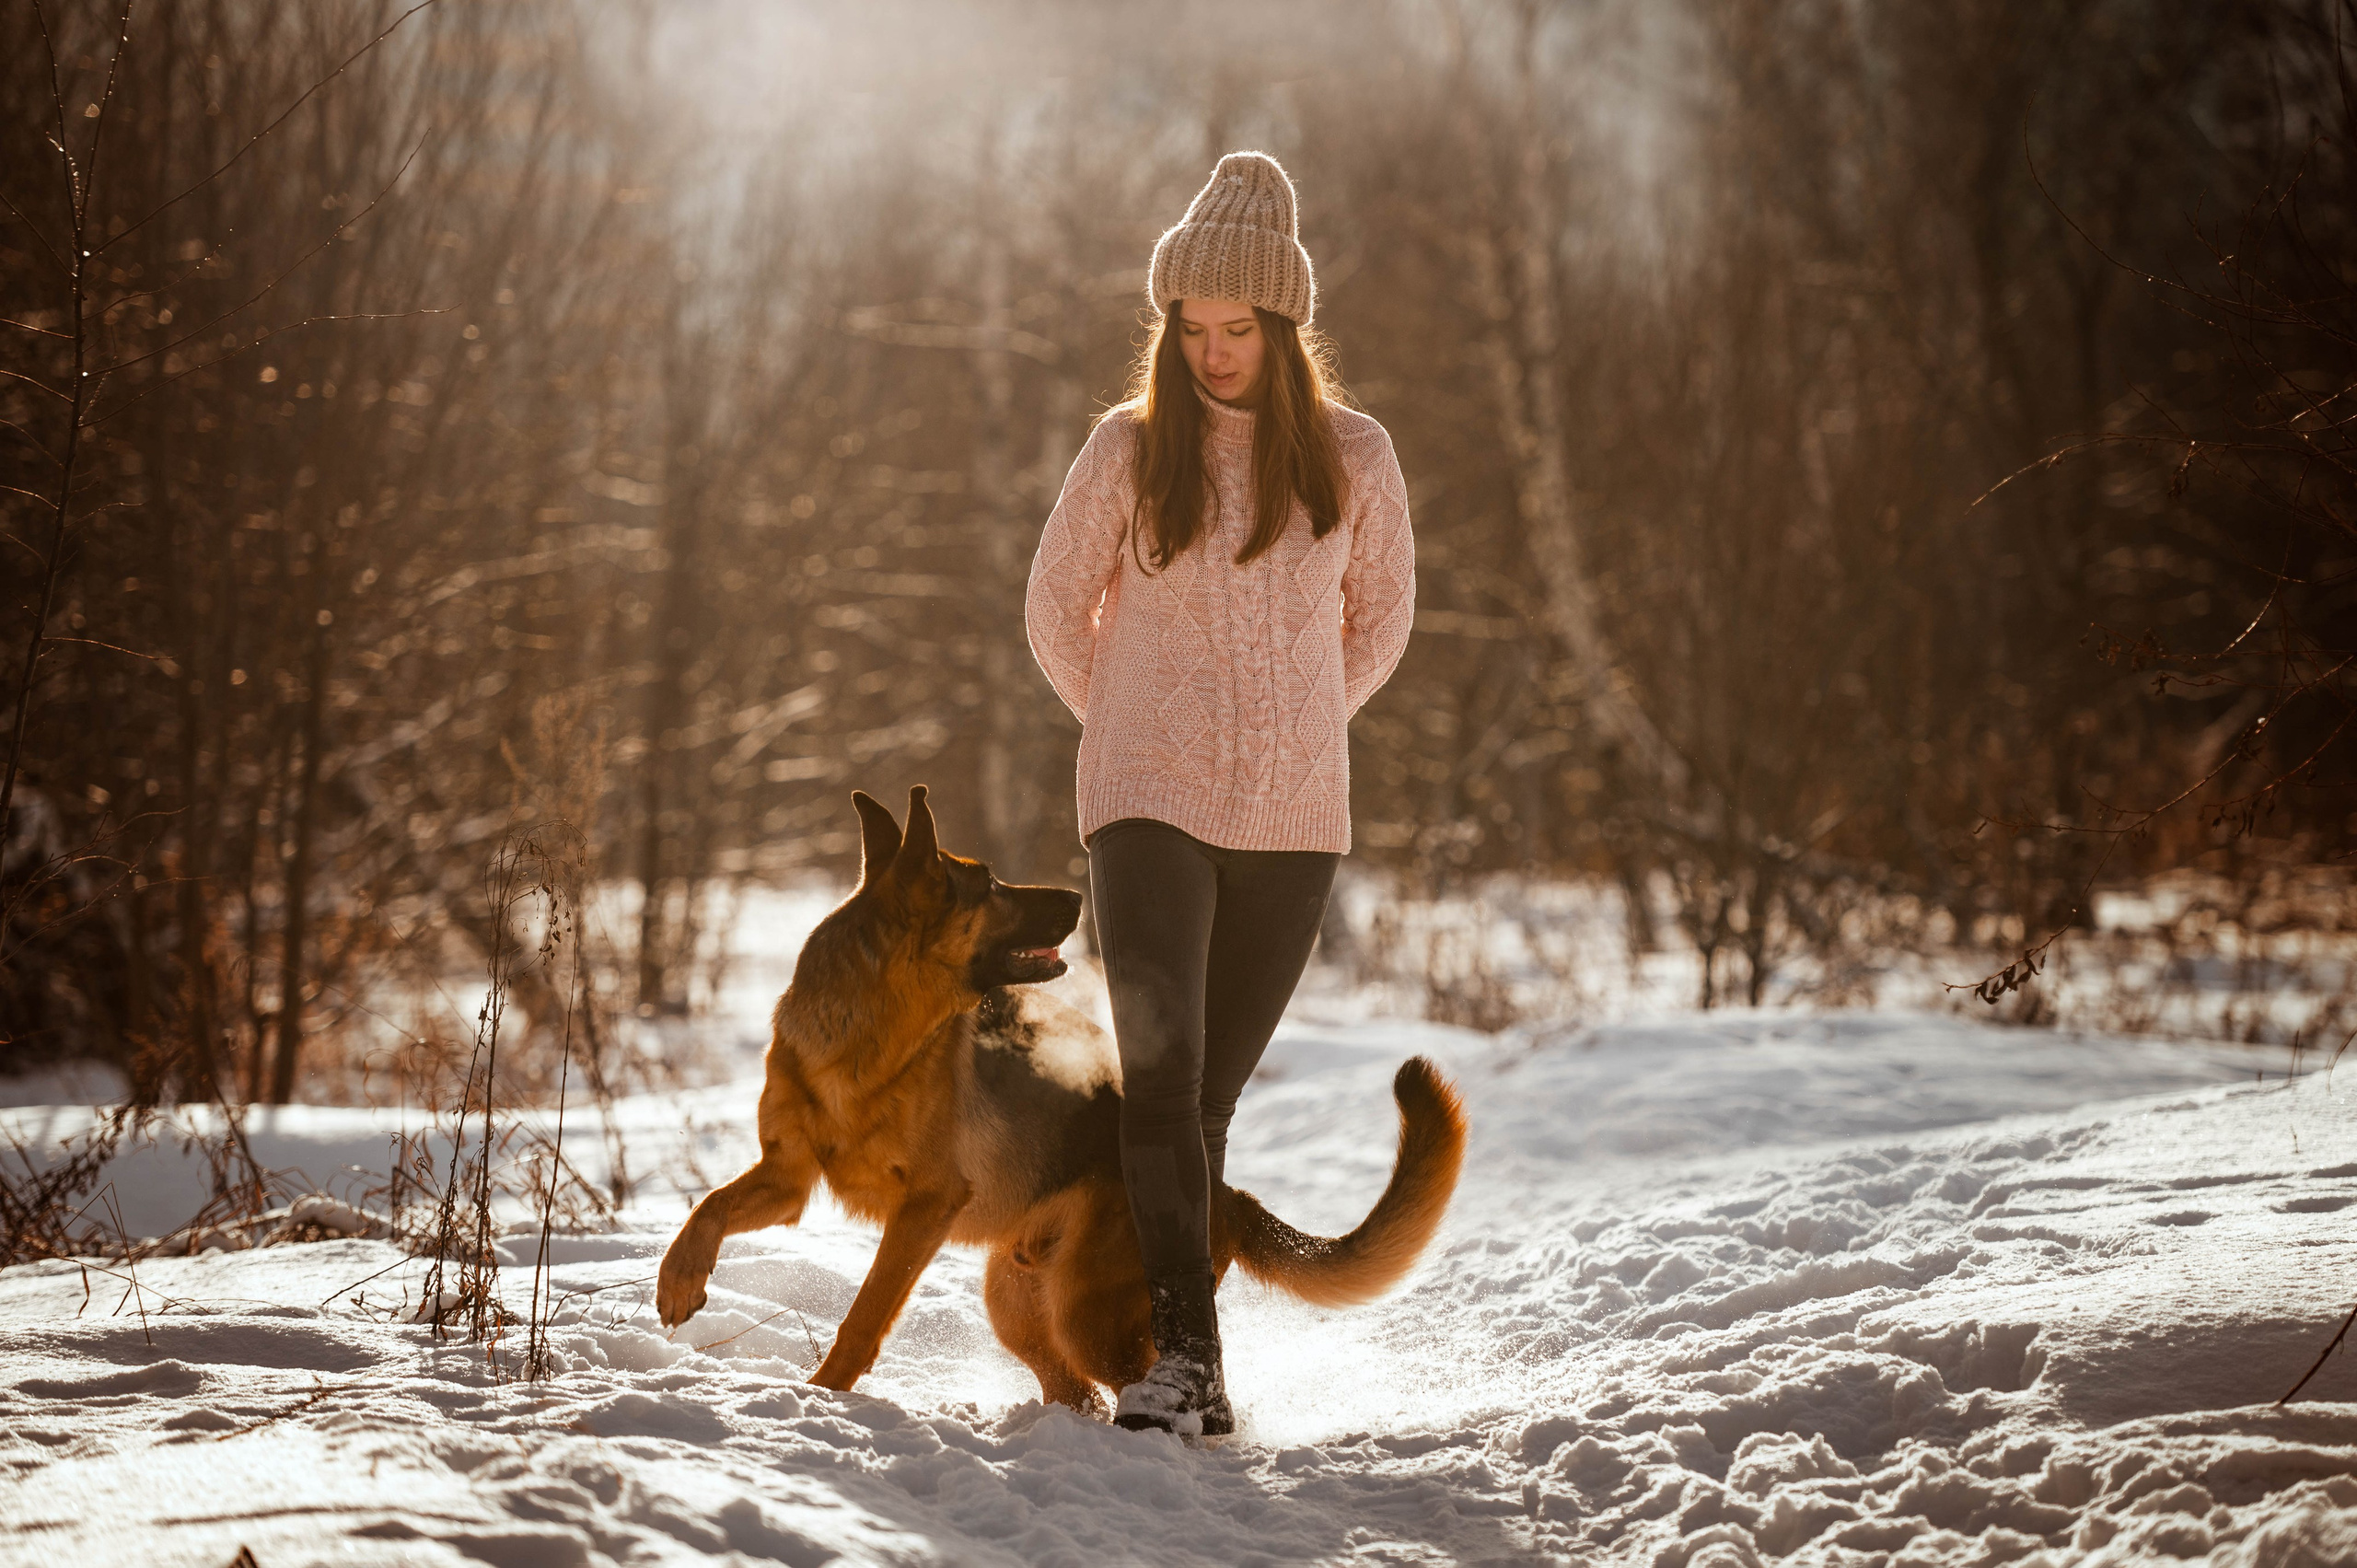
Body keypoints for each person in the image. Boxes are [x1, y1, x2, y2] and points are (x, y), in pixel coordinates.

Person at [1024, 150, 1416, 1436]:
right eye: (1189, 328)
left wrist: (1294, 729)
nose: (1210, 351)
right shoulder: (1128, 449)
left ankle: (1167, 1344)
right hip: (1144, 807)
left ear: (1284, 324)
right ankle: (1188, 1367)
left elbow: (1383, 625)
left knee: (1203, 1104)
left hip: (1295, 827)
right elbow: (1051, 612)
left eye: (1235, 328)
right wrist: (1135, 734)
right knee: (1161, 1074)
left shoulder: (1355, 457)